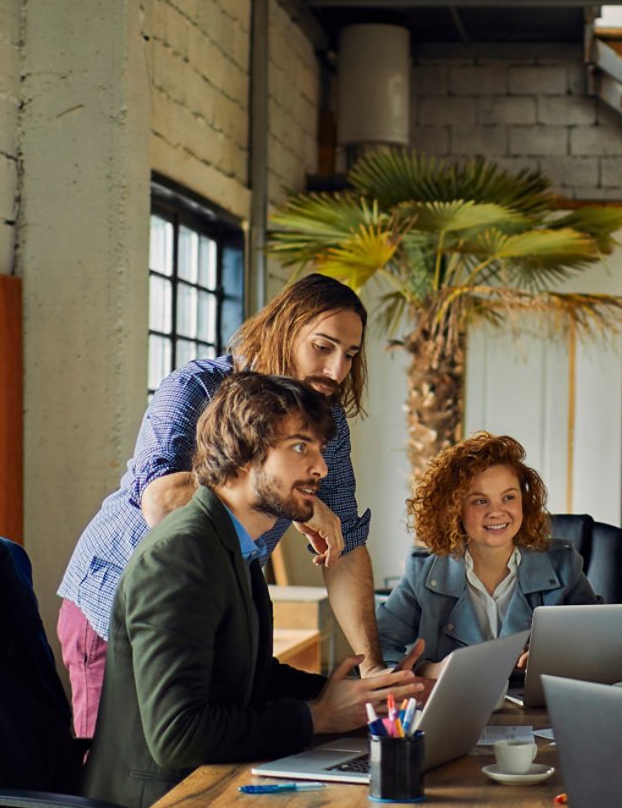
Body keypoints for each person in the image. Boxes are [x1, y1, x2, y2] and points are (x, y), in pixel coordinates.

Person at [56, 273, 382, 736]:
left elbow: (343, 546)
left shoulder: (324, 420)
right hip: (115, 597)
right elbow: (162, 501)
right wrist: (300, 506)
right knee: (124, 766)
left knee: (202, 751)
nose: (336, 371)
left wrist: (374, 673)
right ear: (284, 329)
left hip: (209, 612)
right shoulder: (197, 387)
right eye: (323, 347)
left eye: (349, 355)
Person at [80, 372, 424, 806]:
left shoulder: (233, 544)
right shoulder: (181, 555)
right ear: (244, 453)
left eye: (319, 449)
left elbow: (250, 679)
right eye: (300, 447)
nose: (320, 467)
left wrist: (357, 695)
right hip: (167, 797)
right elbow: (178, 734)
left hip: (215, 784)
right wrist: (317, 717)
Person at [376, 432, 600, 672]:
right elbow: (380, 645)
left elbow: (599, 640)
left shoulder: (563, 564)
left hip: (538, 705)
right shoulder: (423, 572)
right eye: (480, 501)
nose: (497, 512)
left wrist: (555, 654)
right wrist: (430, 670)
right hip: (454, 704)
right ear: (455, 509)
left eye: (508, 497)